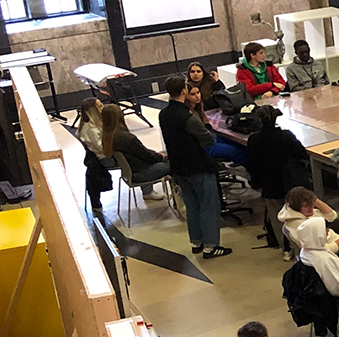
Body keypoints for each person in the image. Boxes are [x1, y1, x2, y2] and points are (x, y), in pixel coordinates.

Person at [158, 73, 231, 258]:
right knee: (209, 205)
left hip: (178, 166)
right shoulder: (187, 116)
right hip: (197, 165)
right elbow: (208, 139)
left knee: (192, 206)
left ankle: (197, 242)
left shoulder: (163, 114)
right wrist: (207, 127)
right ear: (184, 91)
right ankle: (211, 247)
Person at [245, 107, 311, 254]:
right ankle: (302, 249)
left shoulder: (254, 140)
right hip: (291, 182)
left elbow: (252, 164)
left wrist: (256, 182)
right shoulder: (286, 136)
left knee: (277, 218)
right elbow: (302, 153)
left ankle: (286, 249)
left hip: (270, 184)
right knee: (297, 216)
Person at [99, 104, 168, 195]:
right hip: (142, 172)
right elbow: (146, 155)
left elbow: (142, 153)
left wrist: (157, 154)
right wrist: (160, 157)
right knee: (176, 163)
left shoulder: (107, 136)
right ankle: (179, 196)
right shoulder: (126, 138)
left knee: (164, 153)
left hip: (131, 171)